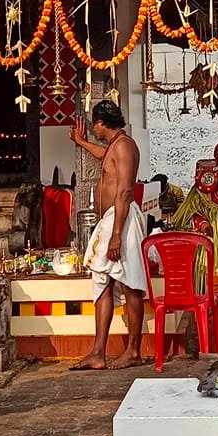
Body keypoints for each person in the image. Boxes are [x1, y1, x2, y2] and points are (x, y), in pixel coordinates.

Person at [68, 100, 147, 372]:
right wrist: (81, 142)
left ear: (101, 123)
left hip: (121, 222)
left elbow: (125, 191)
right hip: (110, 221)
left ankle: (134, 351)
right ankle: (98, 353)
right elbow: (105, 157)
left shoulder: (124, 146)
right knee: (102, 283)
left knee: (129, 284)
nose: (94, 130)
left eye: (95, 126)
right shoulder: (116, 145)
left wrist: (116, 235)